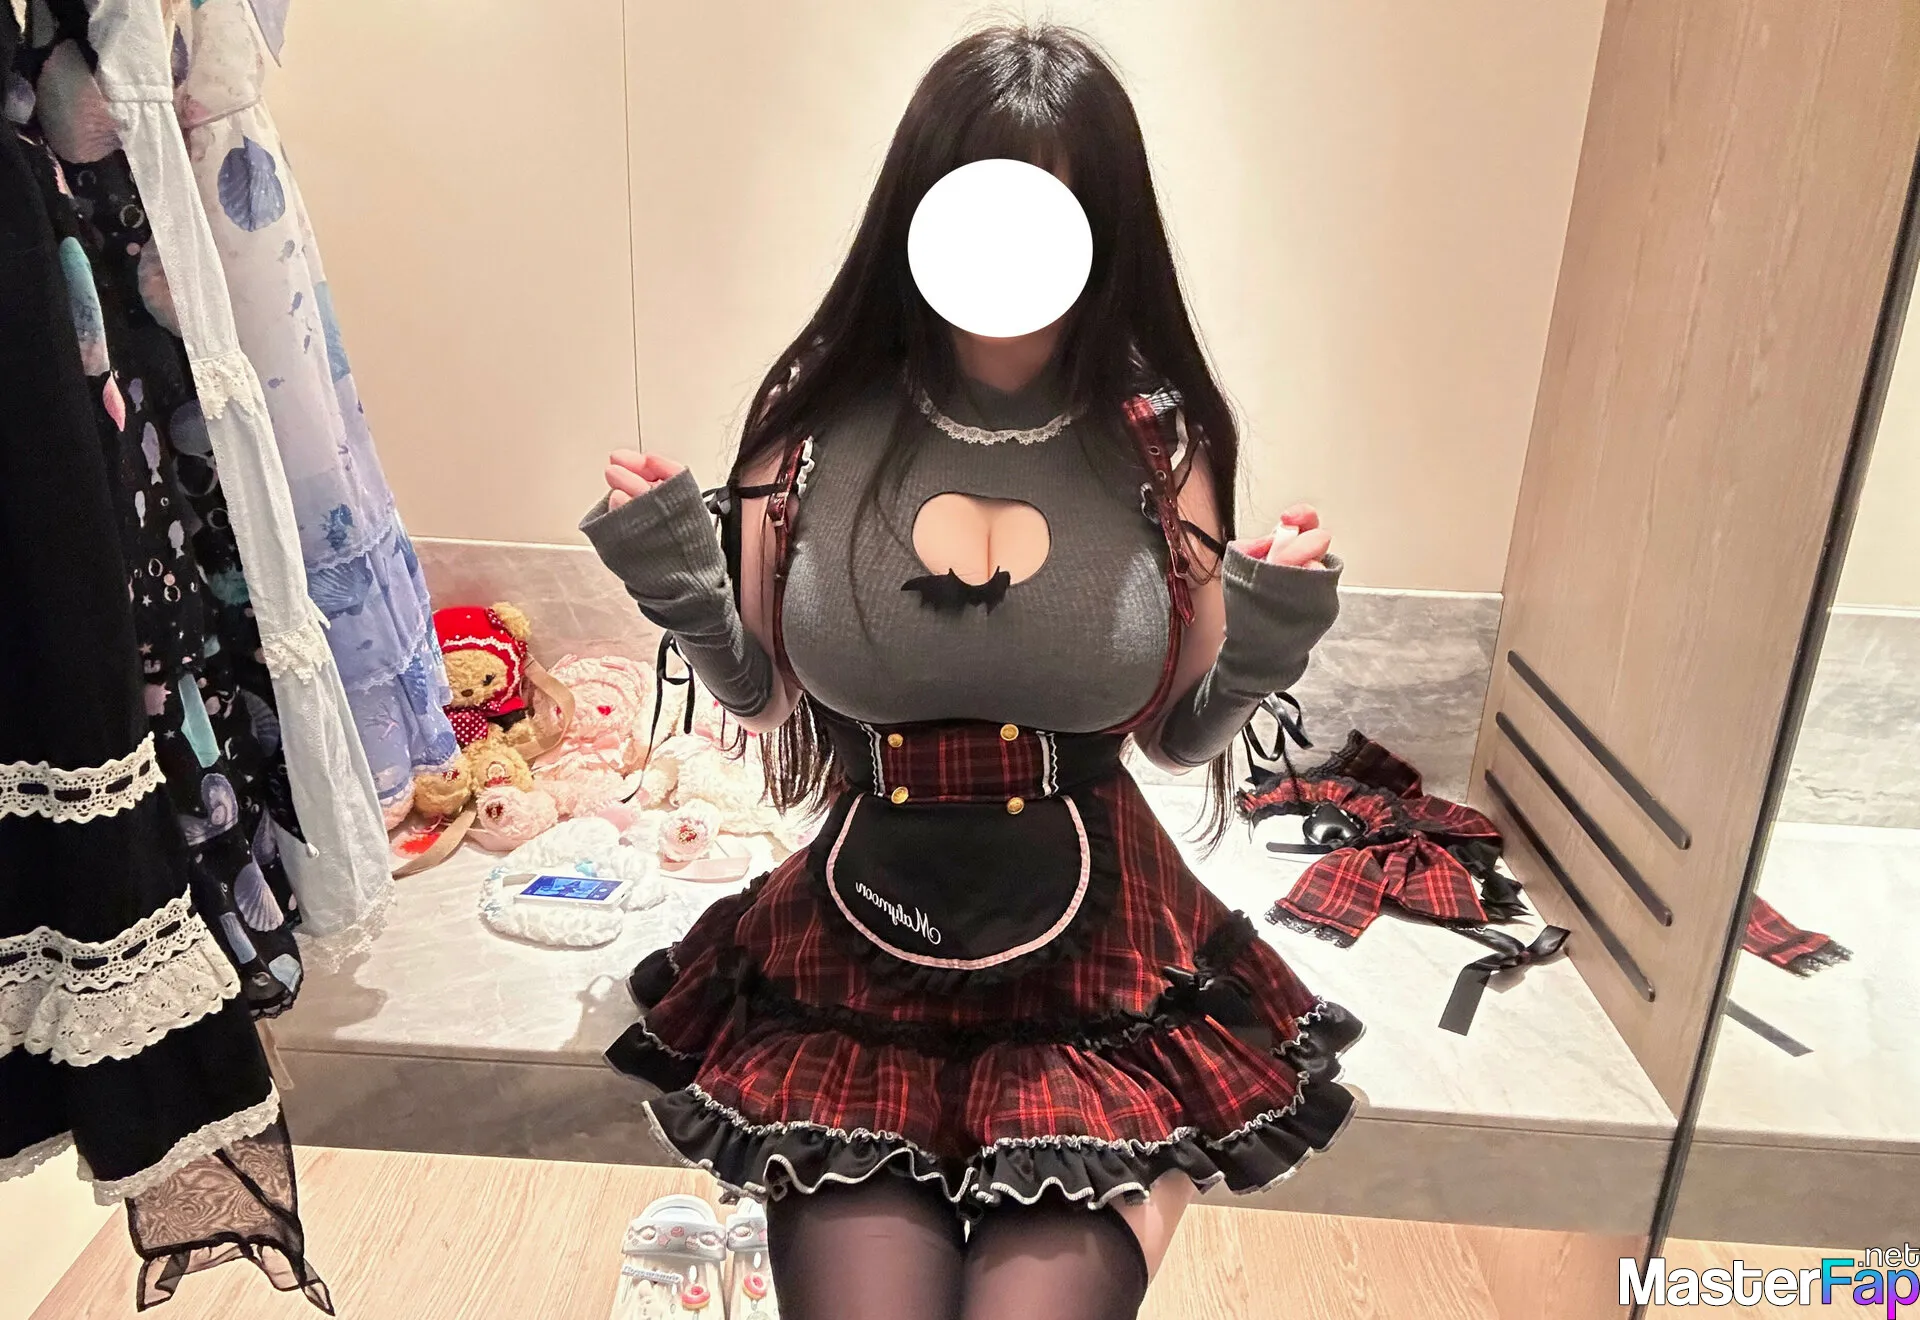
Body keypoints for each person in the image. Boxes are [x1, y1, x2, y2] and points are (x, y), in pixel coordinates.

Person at [583, 24, 1361, 1320]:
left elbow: (1176, 738)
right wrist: (675, 575)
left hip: (1101, 949)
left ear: (1109, 225)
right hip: (855, 933)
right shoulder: (812, 418)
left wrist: (1273, 636)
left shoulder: (1161, 438)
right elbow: (765, 697)